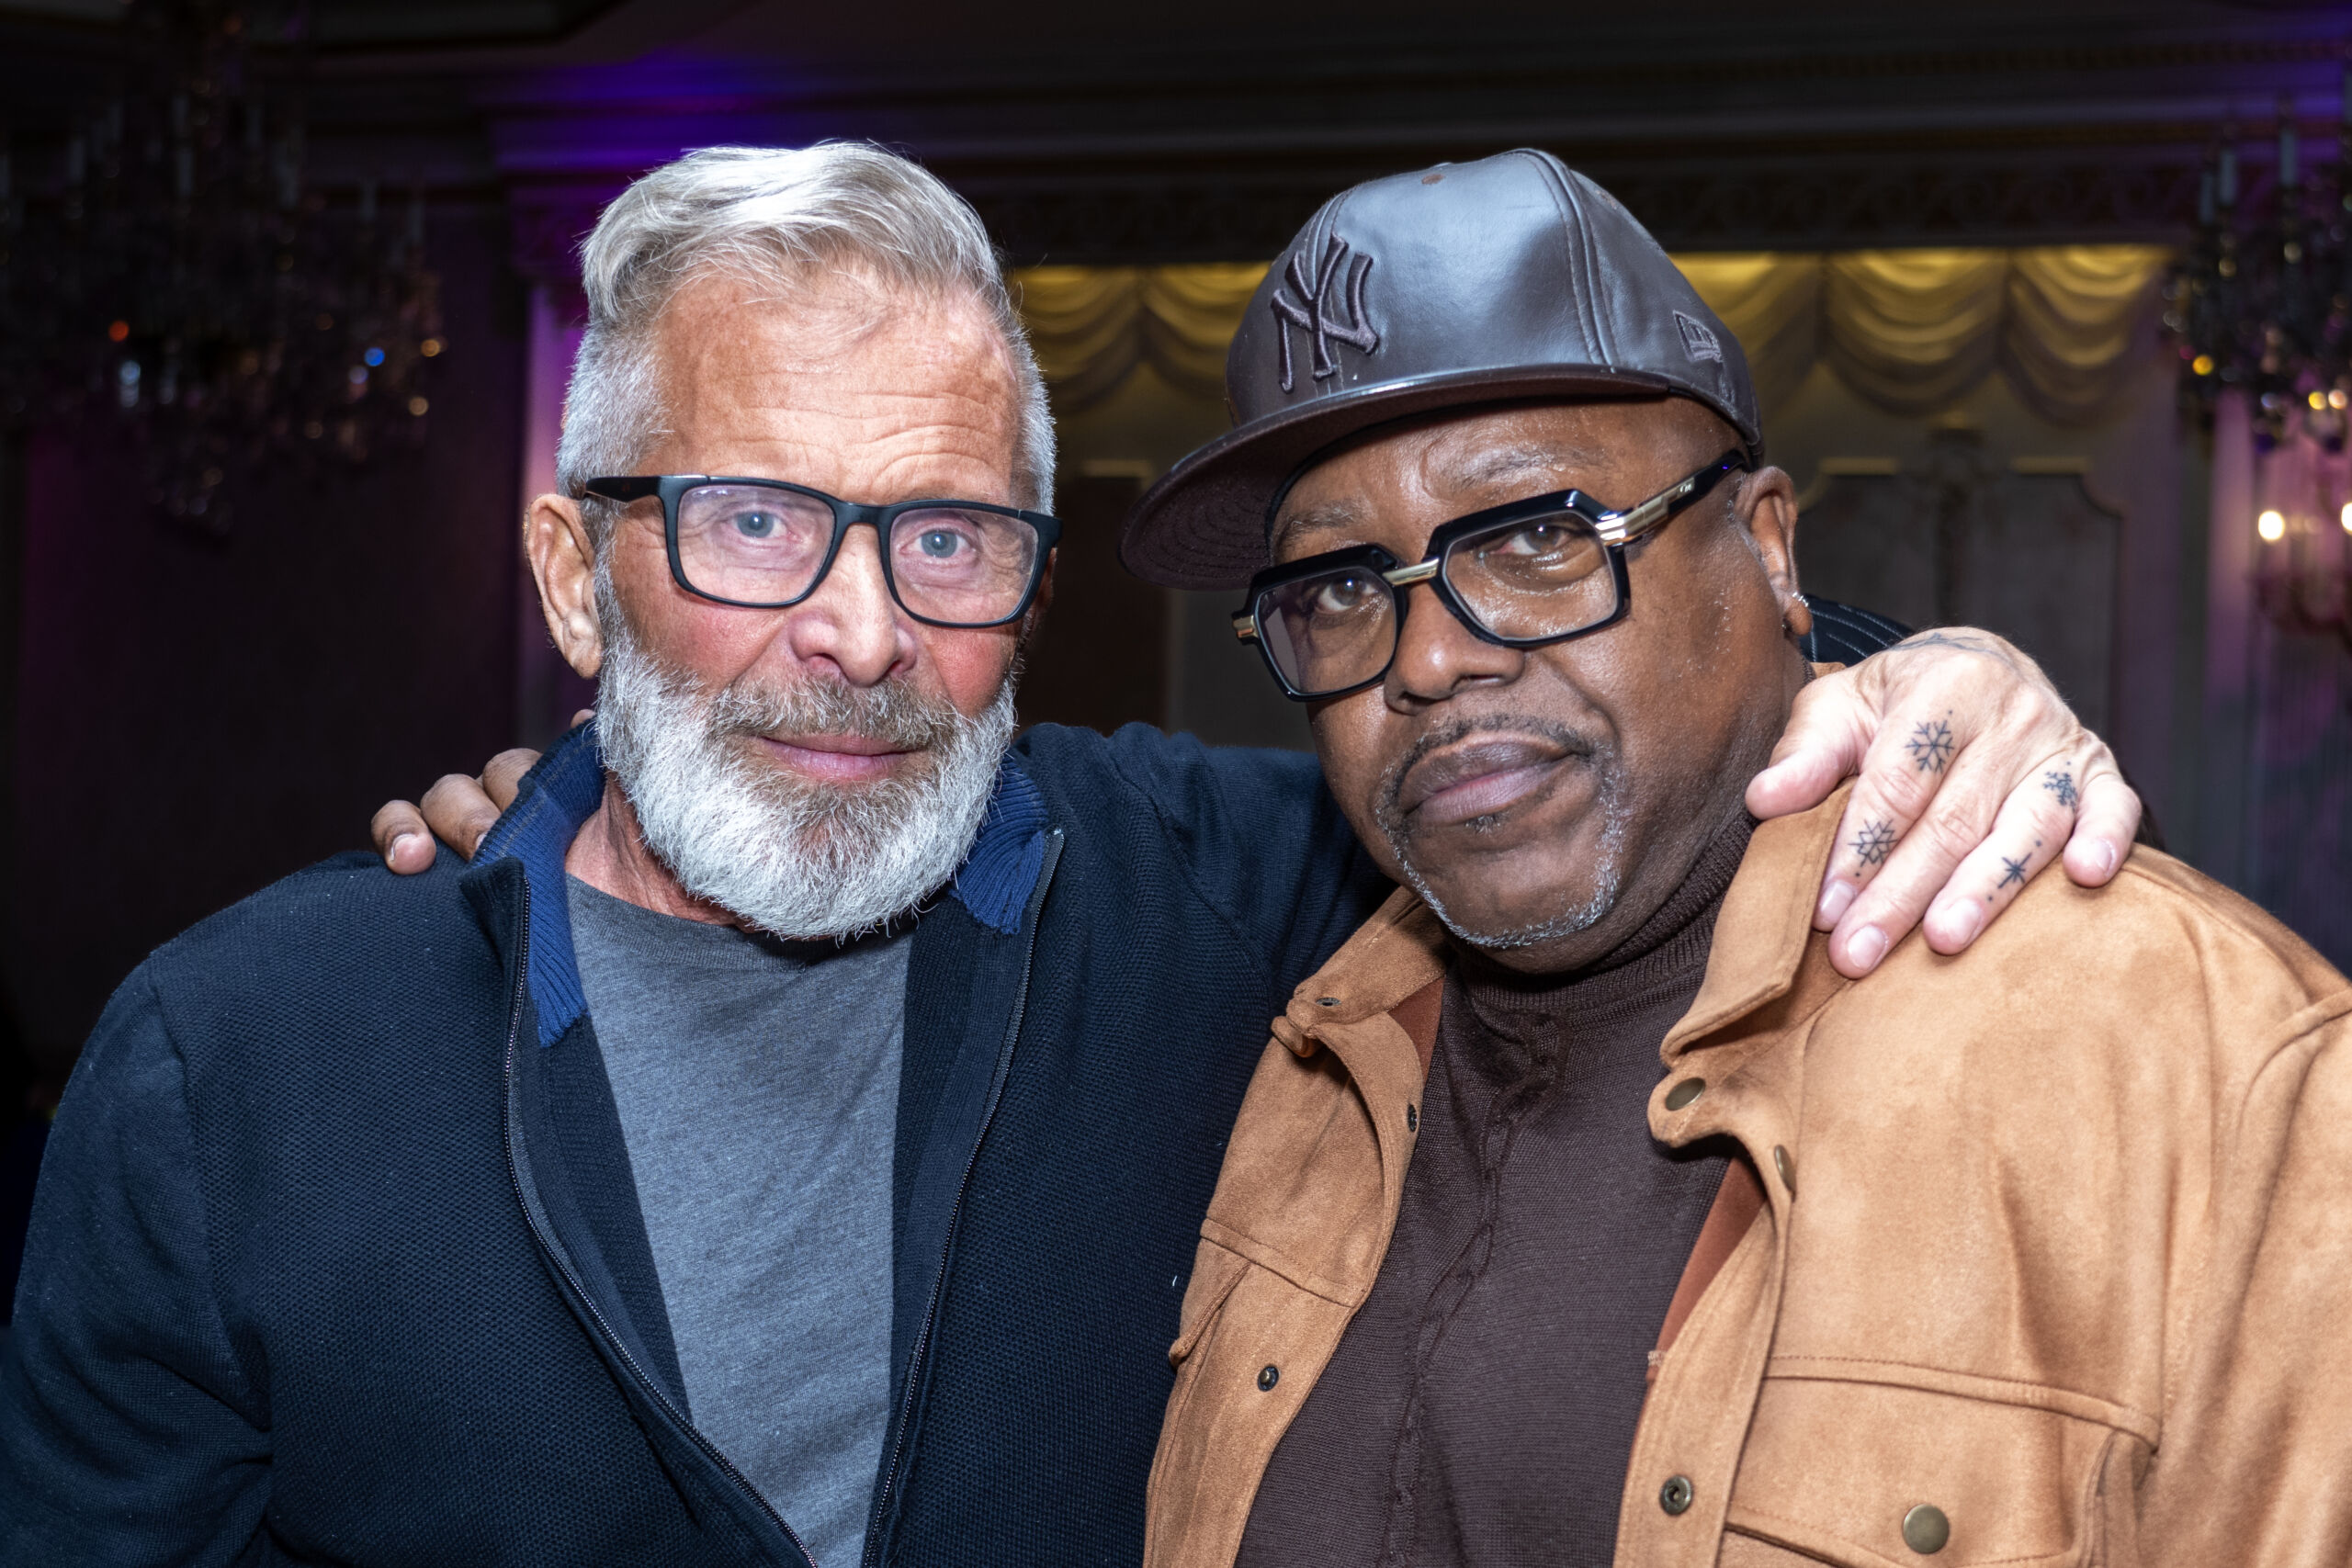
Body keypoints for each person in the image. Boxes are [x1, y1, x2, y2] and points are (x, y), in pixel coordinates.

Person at [4, 143, 2134, 1568]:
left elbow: (1595, 733)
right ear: (577, 574)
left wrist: (1909, 673)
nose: (858, 633)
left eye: (946, 538)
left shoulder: (1216, 896)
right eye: (753, 522)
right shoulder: (238, 1060)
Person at [1124, 150, 2352, 1568]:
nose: (1432, 658)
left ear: (1768, 546)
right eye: (1343, 587)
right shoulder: (1301, 1052)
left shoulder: (2204, 1061)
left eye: (1539, 537)